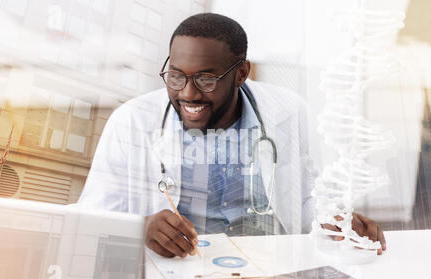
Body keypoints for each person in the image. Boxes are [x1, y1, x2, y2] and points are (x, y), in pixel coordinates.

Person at [77, 13, 386, 259]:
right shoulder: (131, 121)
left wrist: (336, 221)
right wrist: (141, 227)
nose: (188, 93)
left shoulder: (288, 112)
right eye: (176, 75)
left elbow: (306, 199)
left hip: (267, 271)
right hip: (184, 271)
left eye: (206, 79)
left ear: (241, 73)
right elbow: (89, 220)